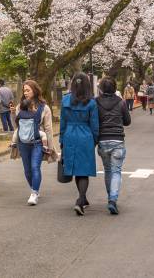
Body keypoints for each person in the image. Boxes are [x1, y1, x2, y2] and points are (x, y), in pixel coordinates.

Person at [10, 80, 58, 206]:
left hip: (37, 142)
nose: (25, 93)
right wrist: (13, 114)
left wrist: (50, 147)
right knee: (27, 170)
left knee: (35, 167)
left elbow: (48, 128)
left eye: (28, 90)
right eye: (24, 90)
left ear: (35, 91)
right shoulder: (20, 107)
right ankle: (34, 187)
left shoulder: (44, 108)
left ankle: (34, 193)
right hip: (23, 142)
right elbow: (17, 125)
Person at [60, 72, 99, 216]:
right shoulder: (91, 102)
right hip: (85, 135)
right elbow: (94, 124)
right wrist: (95, 140)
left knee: (76, 169)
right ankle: (80, 200)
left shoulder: (65, 101)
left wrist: (61, 141)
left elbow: (62, 123)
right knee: (84, 170)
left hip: (69, 134)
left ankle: (83, 199)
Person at [95, 77, 131, 215]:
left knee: (108, 170)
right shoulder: (121, 103)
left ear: (101, 88)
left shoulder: (96, 102)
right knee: (116, 171)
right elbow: (127, 121)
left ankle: (110, 197)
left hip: (103, 140)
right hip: (117, 140)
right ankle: (112, 199)